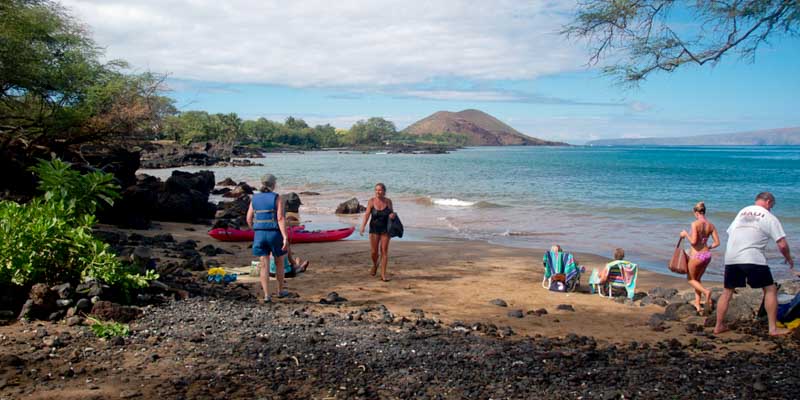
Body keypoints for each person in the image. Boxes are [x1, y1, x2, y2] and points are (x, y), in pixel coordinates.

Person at [714, 192, 797, 336]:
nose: (771, 208)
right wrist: (789, 258)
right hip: (753, 258)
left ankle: (718, 326)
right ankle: (773, 329)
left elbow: (731, 233)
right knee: (770, 289)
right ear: (769, 202)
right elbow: (782, 245)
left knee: (727, 292)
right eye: (772, 205)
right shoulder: (769, 217)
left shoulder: (742, 212)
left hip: (732, 258)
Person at [246, 174, 289, 303]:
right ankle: (280, 291)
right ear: (273, 184)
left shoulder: (254, 198)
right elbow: (280, 218)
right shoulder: (277, 197)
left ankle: (266, 295)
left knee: (263, 265)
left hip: (259, 234)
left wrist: (255, 229)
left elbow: (248, 218)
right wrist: (285, 236)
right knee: (279, 262)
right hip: (274, 233)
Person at [679, 201, 720, 315]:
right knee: (697, 280)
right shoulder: (711, 225)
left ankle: (706, 292)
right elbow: (717, 243)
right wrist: (708, 247)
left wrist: (685, 234)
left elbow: (693, 242)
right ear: (704, 212)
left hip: (697, 256)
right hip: (707, 255)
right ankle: (698, 304)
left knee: (691, 279)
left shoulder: (695, 224)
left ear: (696, 212)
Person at [359, 182, 396, 281]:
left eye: (380, 190)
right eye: (376, 190)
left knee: (384, 251)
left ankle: (383, 275)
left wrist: (392, 215)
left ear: (384, 191)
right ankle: (375, 265)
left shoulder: (388, 201)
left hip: (385, 229)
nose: (377, 192)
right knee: (374, 252)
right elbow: (367, 214)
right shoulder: (371, 201)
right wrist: (363, 226)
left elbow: (392, 213)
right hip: (374, 229)